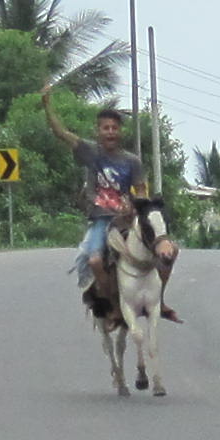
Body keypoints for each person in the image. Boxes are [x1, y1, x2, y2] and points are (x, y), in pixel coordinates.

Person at [42, 85, 179, 317]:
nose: (110, 132)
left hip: (128, 219)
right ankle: (112, 306)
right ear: (98, 131)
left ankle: (160, 300)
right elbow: (60, 133)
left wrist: (135, 206)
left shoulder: (132, 161)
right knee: (94, 261)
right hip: (101, 219)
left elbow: (141, 190)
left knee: (169, 251)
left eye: (114, 128)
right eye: (106, 128)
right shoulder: (90, 153)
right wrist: (47, 105)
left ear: (120, 132)